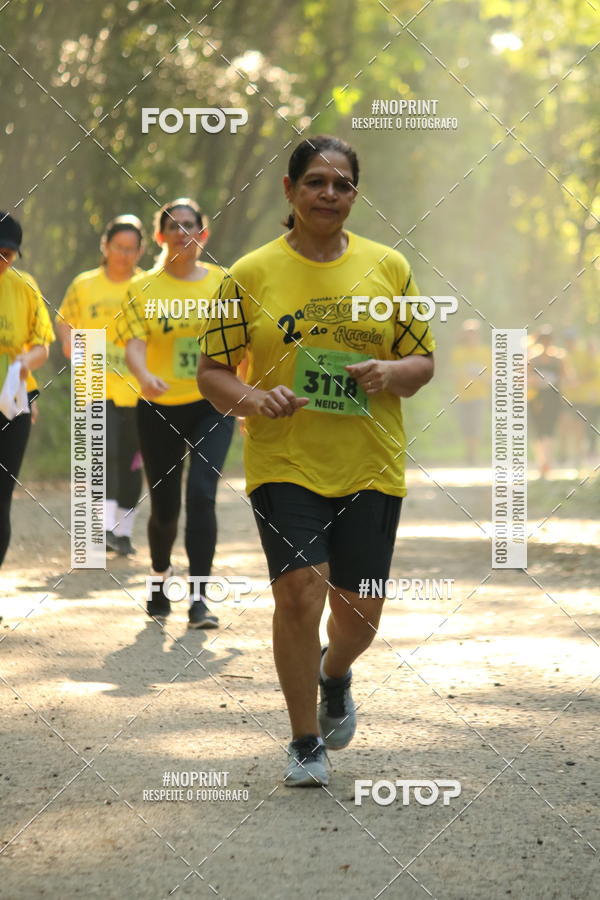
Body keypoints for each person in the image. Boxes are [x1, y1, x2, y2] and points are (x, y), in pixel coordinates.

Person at [198, 135, 435, 786]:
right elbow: (211, 374)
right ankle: (305, 741)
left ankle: (336, 674)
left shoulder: (388, 268)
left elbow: (424, 362)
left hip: (370, 462)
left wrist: (391, 369)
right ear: (290, 190)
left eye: (343, 185)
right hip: (284, 460)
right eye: (316, 183)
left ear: (355, 195)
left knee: (359, 613)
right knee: (300, 594)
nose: (330, 194)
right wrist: (254, 397)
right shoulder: (248, 274)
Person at [116, 198, 234, 628]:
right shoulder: (142, 287)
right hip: (159, 405)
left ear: (203, 235)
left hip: (212, 404)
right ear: (161, 236)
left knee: (202, 494)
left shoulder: (224, 284)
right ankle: (159, 576)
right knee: (165, 510)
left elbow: (243, 341)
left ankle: (200, 599)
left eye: (190, 226)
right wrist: (144, 375)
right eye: (174, 226)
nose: (182, 232)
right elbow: (133, 344)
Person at [56, 215, 145, 555]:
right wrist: (70, 343)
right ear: (105, 247)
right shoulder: (84, 284)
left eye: (131, 249)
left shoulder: (148, 284)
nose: (123, 254)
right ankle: (104, 527)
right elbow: (64, 321)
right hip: (94, 380)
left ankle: (123, 531)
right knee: (101, 452)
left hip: (137, 386)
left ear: (140, 251)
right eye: (118, 247)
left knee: (131, 460)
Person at [0, 212, 54, 567]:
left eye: (9, 254)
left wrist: (22, 366)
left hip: (12, 404)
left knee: (1, 498)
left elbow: (42, 346)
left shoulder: (24, 285)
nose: (3, 261)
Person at [450, 319, 490, 465]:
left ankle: (474, 455)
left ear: (478, 334)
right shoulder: (458, 352)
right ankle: (469, 453)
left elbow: (492, 376)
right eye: (468, 333)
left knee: (476, 425)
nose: (470, 336)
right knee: (465, 425)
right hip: (462, 395)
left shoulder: (485, 352)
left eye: (473, 333)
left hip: (479, 395)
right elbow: (453, 373)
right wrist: (464, 373)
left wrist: (480, 374)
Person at [528, 325, 565, 479]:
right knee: (538, 430)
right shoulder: (532, 360)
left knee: (549, 428)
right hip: (535, 397)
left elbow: (565, 377)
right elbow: (523, 377)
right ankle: (540, 462)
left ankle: (548, 462)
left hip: (553, 397)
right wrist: (535, 381)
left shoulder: (558, 359)